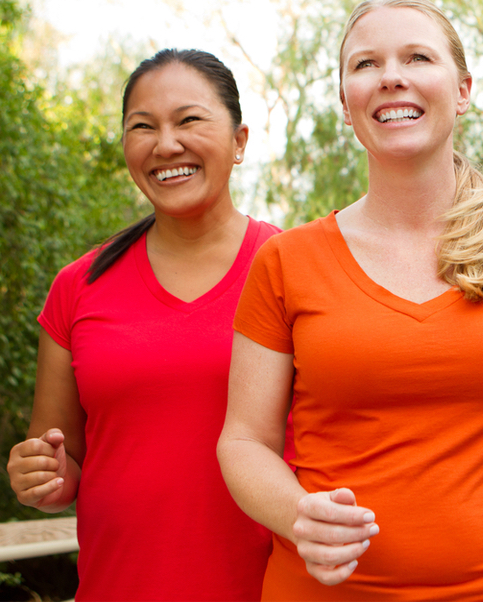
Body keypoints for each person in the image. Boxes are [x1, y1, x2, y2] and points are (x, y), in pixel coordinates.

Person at [218, 0, 483, 602]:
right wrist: (297, 515)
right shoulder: (286, 262)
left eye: (417, 57)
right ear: (344, 102)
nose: (391, 77)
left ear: (462, 89)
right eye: (365, 65)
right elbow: (244, 441)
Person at [6, 48, 281, 601]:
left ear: (240, 141)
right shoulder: (76, 287)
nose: (166, 144)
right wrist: (42, 474)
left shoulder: (294, 269)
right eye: (143, 127)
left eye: (189, 120)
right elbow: (62, 469)